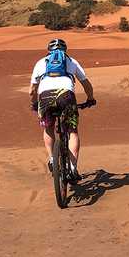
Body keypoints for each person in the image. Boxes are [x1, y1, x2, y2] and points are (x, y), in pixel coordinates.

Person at [29, 39, 96, 182]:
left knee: (48, 127)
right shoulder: (72, 61)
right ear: (65, 50)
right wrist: (90, 98)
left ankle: (53, 159)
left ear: (49, 50)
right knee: (72, 131)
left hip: (45, 97)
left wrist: (34, 103)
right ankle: (72, 168)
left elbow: (32, 90)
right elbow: (86, 83)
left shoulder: (41, 63)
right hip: (66, 95)